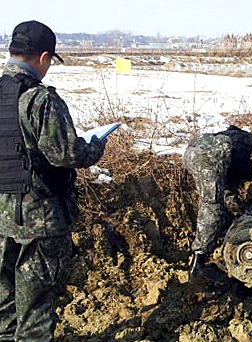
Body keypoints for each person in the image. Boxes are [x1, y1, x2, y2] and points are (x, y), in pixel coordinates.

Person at [0, 21, 106, 342]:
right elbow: (66, 154)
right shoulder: (39, 100)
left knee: (5, 306)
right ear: (44, 57)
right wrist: (95, 146)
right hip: (40, 221)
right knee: (35, 309)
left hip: (1, 218)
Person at [184, 125, 252, 283]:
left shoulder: (238, 148)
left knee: (219, 201)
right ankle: (198, 264)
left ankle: (211, 244)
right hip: (210, 155)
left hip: (194, 150)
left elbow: (228, 194)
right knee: (212, 206)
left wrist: (242, 212)